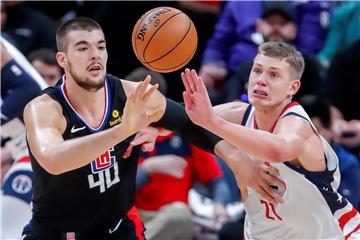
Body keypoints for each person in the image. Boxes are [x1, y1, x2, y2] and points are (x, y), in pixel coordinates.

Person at [22, 17, 285, 240]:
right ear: (62, 59)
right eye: (82, 48)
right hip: (57, 232)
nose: (95, 55)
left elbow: (188, 121)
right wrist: (122, 130)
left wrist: (237, 159)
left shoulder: (132, 94)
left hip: (115, 229)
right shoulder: (44, 109)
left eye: (100, 47)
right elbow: (53, 160)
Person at [180, 41, 360, 239]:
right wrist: (158, 127)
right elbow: (185, 118)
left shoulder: (297, 125)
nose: (261, 80)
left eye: (274, 75)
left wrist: (213, 123)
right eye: (257, 71)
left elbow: (277, 150)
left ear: (293, 87)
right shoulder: (238, 113)